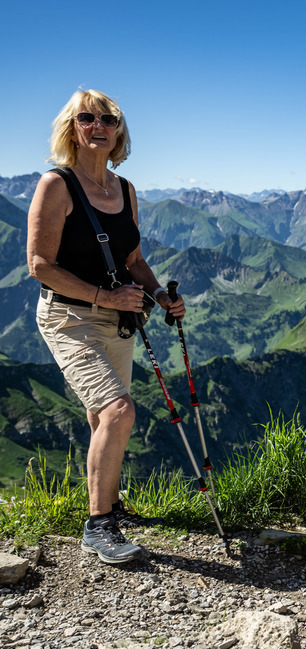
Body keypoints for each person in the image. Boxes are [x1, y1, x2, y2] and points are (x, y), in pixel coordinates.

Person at [27, 90, 185, 565]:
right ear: (71, 128)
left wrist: (159, 295)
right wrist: (104, 296)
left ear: (119, 131)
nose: (99, 125)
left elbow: (132, 259)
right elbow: (39, 265)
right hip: (69, 317)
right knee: (119, 410)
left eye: (109, 118)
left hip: (117, 318)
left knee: (103, 417)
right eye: (87, 117)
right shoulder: (56, 185)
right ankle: (98, 526)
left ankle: (111, 506)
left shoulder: (125, 189)